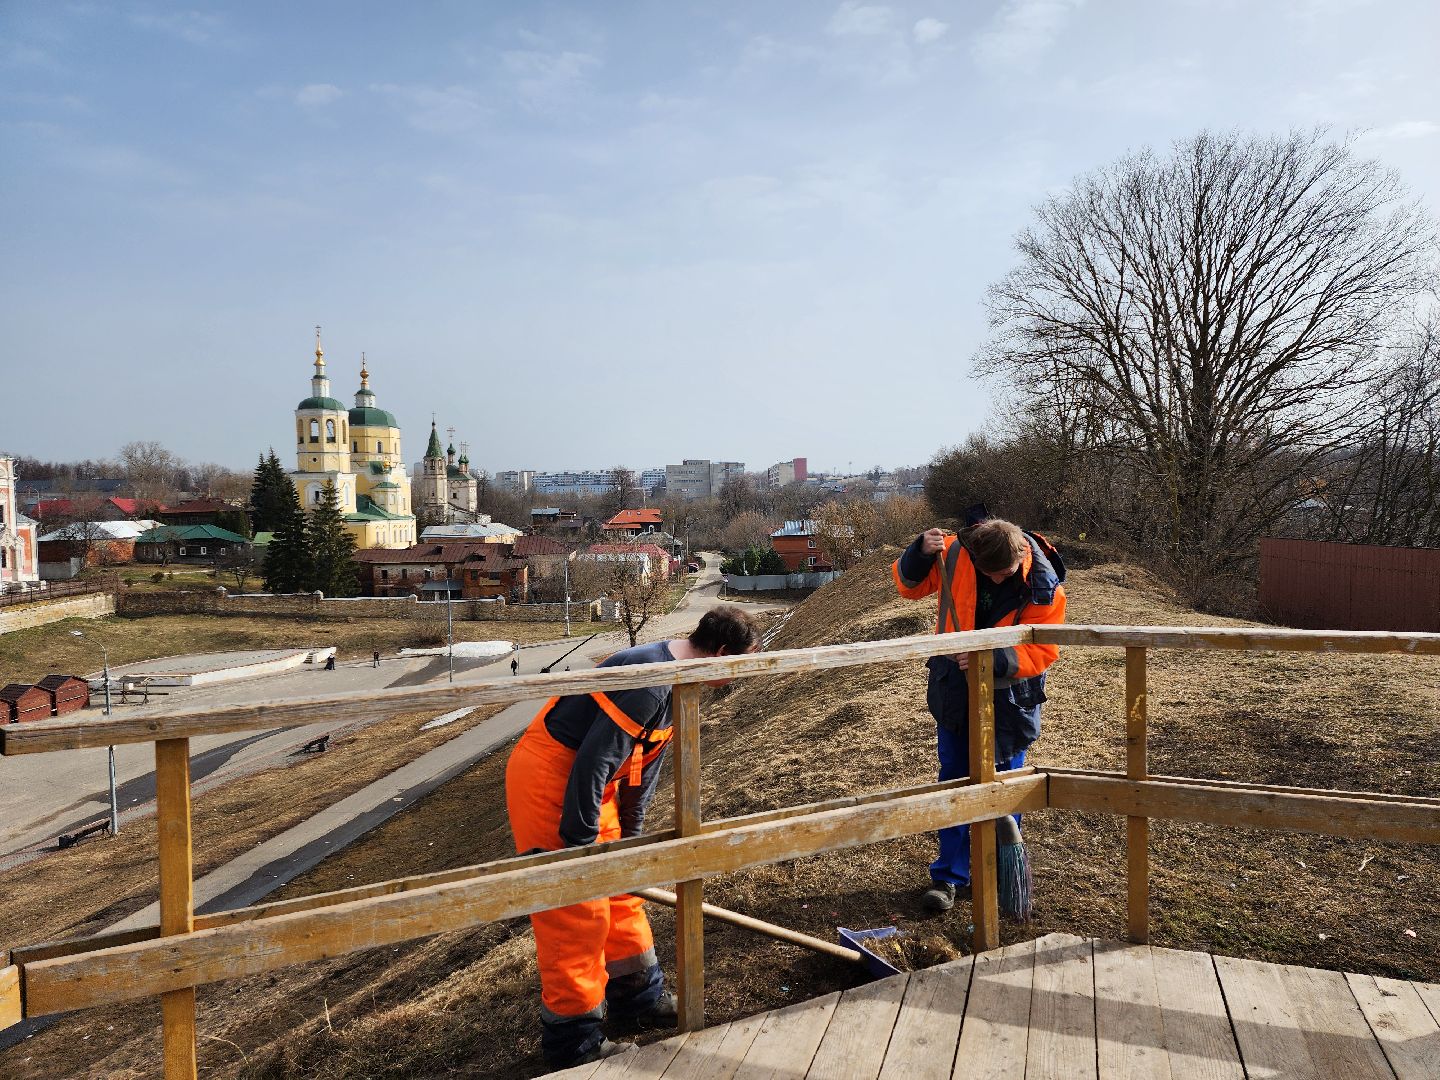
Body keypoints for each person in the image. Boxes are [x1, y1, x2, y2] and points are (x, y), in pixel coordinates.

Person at [505, 606, 763, 1070]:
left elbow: (644, 763)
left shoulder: (679, 678)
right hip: (552, 779)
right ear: (721, 653)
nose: (732, 678)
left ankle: (637, 997)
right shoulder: (650, 680)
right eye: (736, 667)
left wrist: (631, 839)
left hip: (594, 783)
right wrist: (583, 847)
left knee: (622, 891)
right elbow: (595, 760)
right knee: (577, 909)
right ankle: (573, 1044)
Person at [893, 511, 1066, 912]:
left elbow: (1045, 649)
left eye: (1005, 573)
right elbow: (908, 587)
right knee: (954, 780)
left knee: (1005, 783)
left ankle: (1002, 871)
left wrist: (994, 659)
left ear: (1022, 553)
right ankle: (950, 876)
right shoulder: (954, 554)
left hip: (1010, 700)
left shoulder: (1046, 588)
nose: (997, 580)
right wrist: (919, 552)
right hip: (954, 689)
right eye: (989, 573)